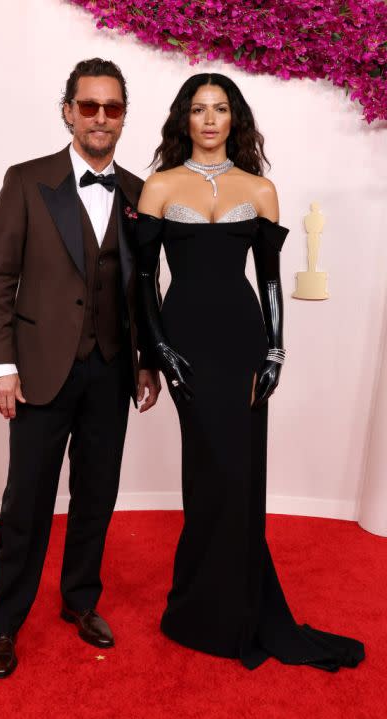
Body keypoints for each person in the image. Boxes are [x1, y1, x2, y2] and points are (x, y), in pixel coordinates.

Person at [135, 73, 364, 671]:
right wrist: (159, 350)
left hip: (243, 344)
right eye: (198, 109)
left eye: (220, 109)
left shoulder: (260, 190)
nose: (209, 119)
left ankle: (237, 608)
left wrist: (276, 351)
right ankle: (197, 609)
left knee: (239, 477)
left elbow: (268, 282)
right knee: (208, 473)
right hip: (185, 343)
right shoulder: (159, 187)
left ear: (234, 118)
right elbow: (140, 282)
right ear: (183, 119)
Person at [0, 58, 160, 678]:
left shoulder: (140, 192)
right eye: (89, 106)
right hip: (37, 369)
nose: (101, 118)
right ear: (68, 112)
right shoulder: (27, 181)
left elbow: (144, 291)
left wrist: (145, 362)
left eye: (112, 108)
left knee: (97, 494)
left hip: (111, 370)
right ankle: (4, 622)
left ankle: (81, 602)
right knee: (25, 499)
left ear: (123, 116)